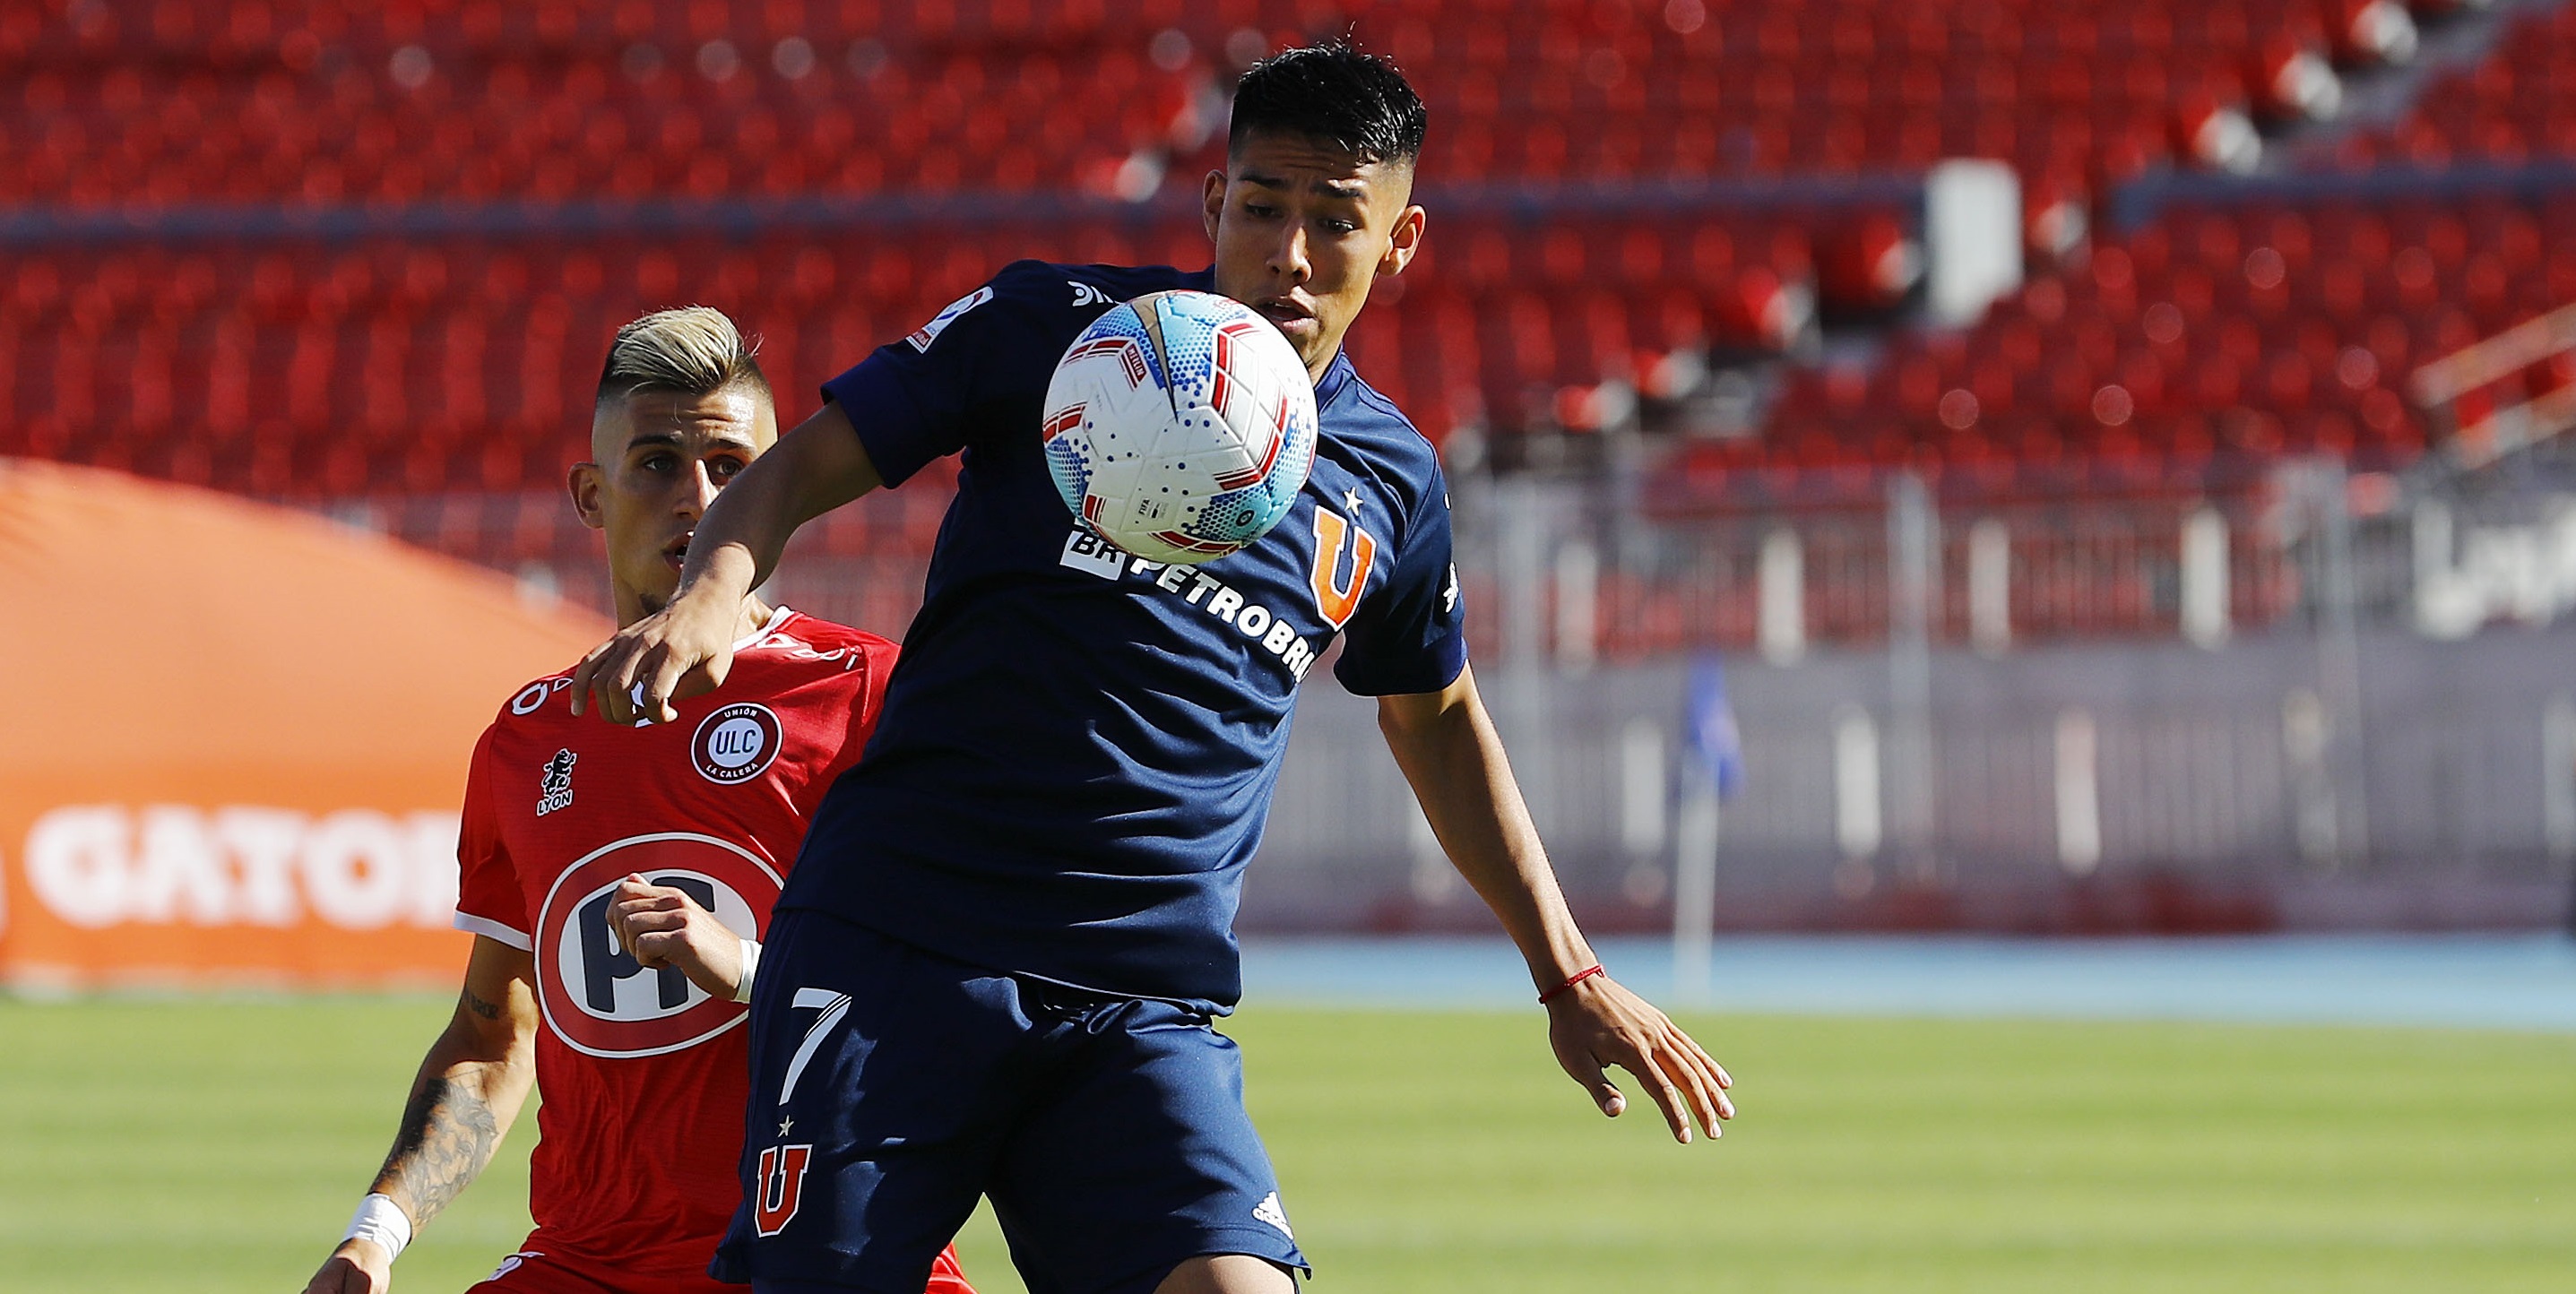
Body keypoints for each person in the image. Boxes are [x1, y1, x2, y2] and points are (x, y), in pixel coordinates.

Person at [571, 45, 1733, 1294]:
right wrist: (708, 595)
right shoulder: (1048, 330)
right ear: (1211, 206)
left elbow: (1434, 715)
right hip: (895, 950)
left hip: (1138, 1002)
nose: (1288, 252)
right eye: (1262, 206)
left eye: (1335, 222)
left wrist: (1566, 972)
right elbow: (796, 464)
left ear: (1396, 246)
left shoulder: (1390, 479)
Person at [303, 308, 972, 1294]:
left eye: (734, 466)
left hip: (837, 1257)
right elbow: (495, 1034)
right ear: (590, 492)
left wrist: (748, 966)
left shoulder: (872, 697)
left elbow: (970, 995)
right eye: (656, 462)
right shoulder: (526, 744)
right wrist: (375, 1232)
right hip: (590, 1263)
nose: (699, 499)